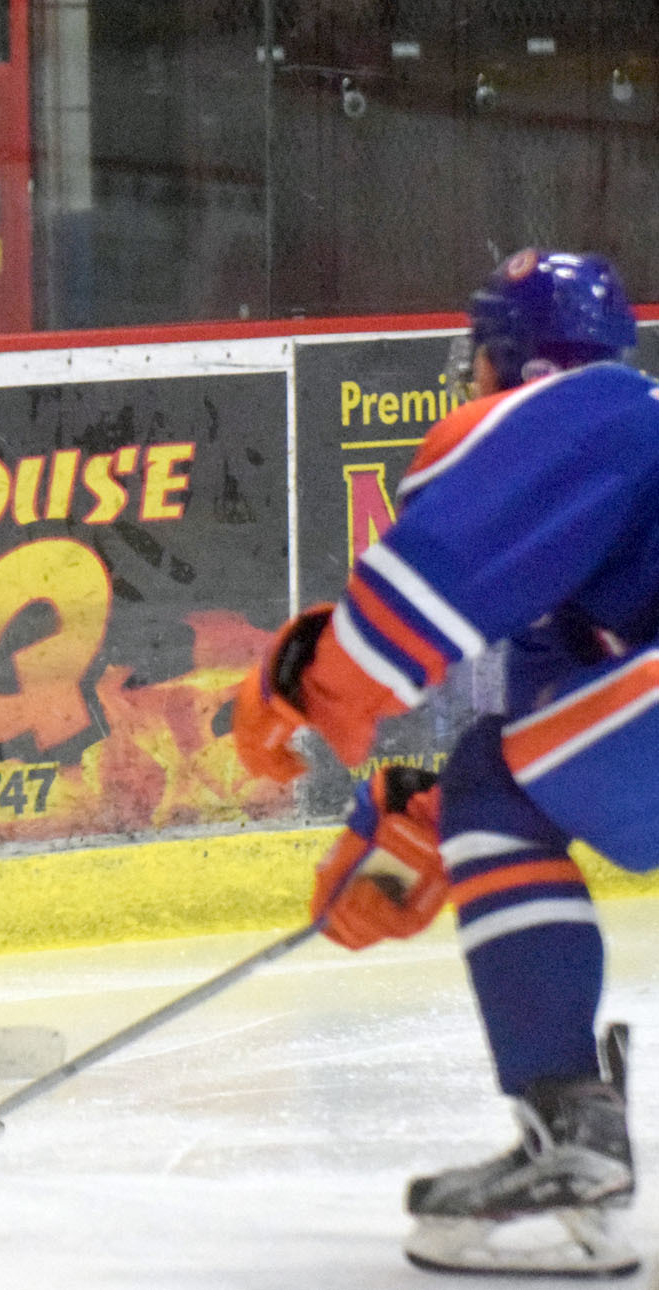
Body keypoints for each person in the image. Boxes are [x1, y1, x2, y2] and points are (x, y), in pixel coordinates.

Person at [233, 247, 651, 1277]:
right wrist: (441, 818)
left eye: (475, 361)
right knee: (488, 784)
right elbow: (543, 739)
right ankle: (572, 1139)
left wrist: (309, 675)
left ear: (511, 363)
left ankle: (576, 1129)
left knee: (488, 783)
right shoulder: (613, 509)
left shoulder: (596, 411)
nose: (465, 383)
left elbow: (417, 596)